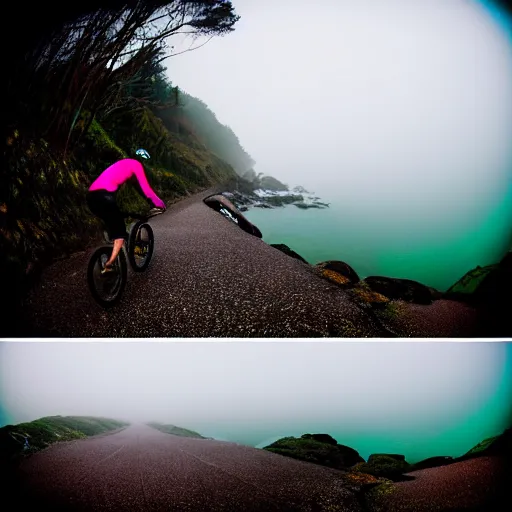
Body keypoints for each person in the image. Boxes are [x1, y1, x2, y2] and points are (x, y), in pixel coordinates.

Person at [86, 149, 166, 273]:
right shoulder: (136, 164)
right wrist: (159, 204)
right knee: (120, 234)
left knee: (113, 221)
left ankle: (107, 248)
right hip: (105, 197)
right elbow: (145, 188)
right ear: (142, 161)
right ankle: (109, 265)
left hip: (91, 198)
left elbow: (138, 188)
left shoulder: (123, 164)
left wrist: (148, 201)